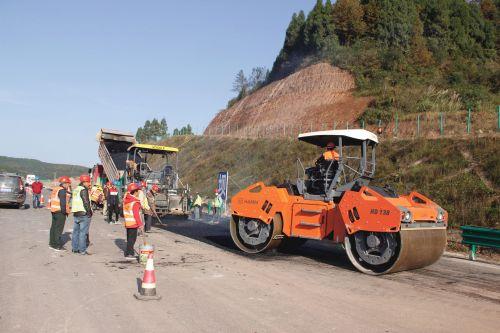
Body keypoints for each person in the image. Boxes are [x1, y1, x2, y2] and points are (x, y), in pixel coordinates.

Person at [71, 174, 93, 255]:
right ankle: (82, 250)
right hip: (83, 213)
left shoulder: (76, 189)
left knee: (76, 232)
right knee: (83, 233)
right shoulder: (84, 190)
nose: (89, 184)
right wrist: (89, 212)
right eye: (88, 182)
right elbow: (86, 202)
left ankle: (74, 248)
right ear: (84, 182)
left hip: (76, 213)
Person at [49, 176, 71, 251]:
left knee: (53, 228)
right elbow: (63, 203)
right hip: (60, 212)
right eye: (68, 184)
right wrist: (65, 212)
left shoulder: (56, 189)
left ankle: (52, 243)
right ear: (65, 183)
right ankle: (57, 245)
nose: (69, 185)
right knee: (58, 229)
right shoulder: (62, 191)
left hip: (54, 210)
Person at [123, 183, 144, 259]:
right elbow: (136, 215)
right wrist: (140, 224)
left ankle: (128, 252)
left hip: (128, 223)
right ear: (135, 191)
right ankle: (129, 254)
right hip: (133, 223)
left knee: (129, 238)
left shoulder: (127, 200)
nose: (139, 192)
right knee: (132, 239)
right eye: (138, 191)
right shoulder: (135, 202)